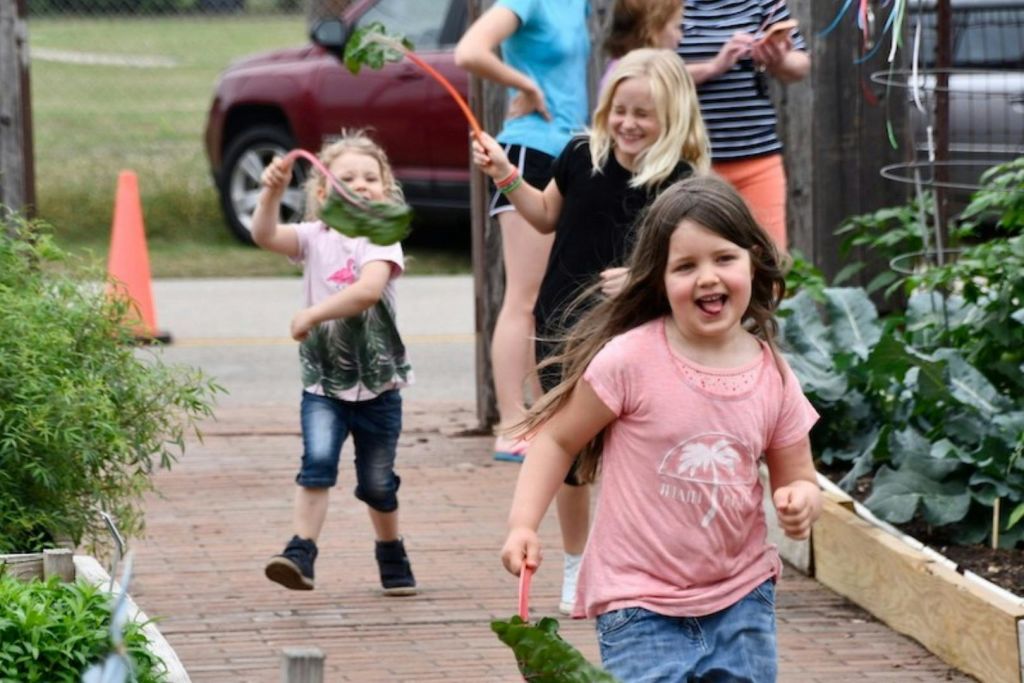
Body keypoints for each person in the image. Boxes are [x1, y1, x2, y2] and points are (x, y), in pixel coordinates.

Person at [500, 175, 822, 682]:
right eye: (685, 266)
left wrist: (801, 500)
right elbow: (559, 439)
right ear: (659, 279)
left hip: (741, 596)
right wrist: (523, 524)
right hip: (638, 601)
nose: (707, 278)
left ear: (753, 259)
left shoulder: (772, 374)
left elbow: (797, 473)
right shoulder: (631, 359)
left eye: (723, 259)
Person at [472, 48, 710, 615]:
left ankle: (645, 560)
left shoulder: (679, 185)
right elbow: (545, 216)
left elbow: (693, 259)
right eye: (619, 110)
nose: (628, 124)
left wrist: (642, 277)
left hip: (636, 334)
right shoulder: (581, 155)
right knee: (570, 457)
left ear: (671, 118)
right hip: (564, 327)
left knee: (640, 452)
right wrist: (505, 174)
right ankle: (578, 563)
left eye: (643, 115)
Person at [253, 130, 417, 597]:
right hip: (324, 386)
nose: (362, 184)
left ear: (386, 191)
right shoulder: (313, 238)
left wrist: (312, 313)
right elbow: (264, 234)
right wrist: (270, 191)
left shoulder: (382, 239)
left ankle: (391, 551)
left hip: (379, 388)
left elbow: (367, 291)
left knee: (378, 483)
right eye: (347, 178)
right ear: (323, 193)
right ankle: (300, 551)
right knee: (317, 464)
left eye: (372, 177)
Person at [455, 0, 590, 462]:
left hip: (572, 153)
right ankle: (511, 423)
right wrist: (524, 83)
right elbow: (470, 50)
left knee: (556, 295)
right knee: (526, 296)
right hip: (529, 151)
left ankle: (545, 416)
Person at [678, 0, 811, 251]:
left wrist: (777, 59)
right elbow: (648, 72)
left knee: (769, 259)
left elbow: (801, 66)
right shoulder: (668, 5)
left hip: (758, 158)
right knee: (698, 257)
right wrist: (714, 67)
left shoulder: (761, 3)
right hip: (692, 164)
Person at [601, 0, 684, 86]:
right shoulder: (638, 81)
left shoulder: (620, 69)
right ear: (652, 31)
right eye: (678, 27)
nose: (680, 37)